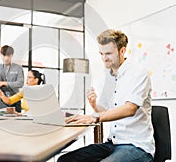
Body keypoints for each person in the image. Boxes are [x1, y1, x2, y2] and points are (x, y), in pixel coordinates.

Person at [58, 29, 155, 162]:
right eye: (101, 53)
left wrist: (94, 118)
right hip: (113, 143)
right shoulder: (107, 78)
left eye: (108, 53)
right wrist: (94, 105)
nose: (104, 58)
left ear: (122, 51)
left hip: (136, 146)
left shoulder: (138, 73)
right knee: (65, 160)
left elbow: (130, 108)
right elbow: (102, 111)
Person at [0, 45, 24, 112]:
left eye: (8, 56)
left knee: (17, 122)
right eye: (4, 55)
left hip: (16, 100)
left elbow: (20, 83)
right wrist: (12, 84)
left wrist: (3, 83)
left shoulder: (18, 68)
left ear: (12, 55)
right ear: (1, 55)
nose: (6, 58)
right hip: (2, 101)